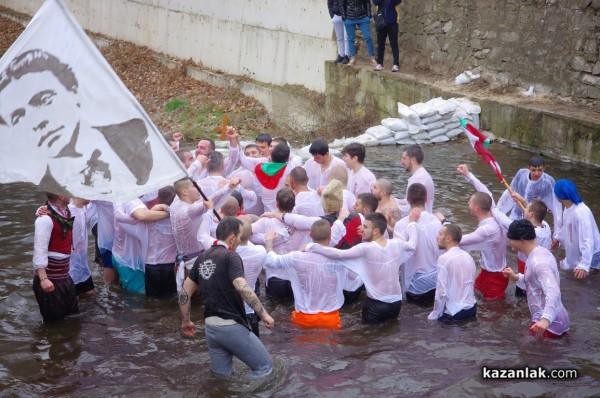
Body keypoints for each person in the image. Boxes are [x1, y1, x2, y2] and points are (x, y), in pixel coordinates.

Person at [0, 49, 154, 197]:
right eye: (18, 117)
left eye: (44, 99)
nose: (37, 122)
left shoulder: (139, 137)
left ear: (73, 92)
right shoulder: (49, 188)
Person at [179, 217, 274, 378]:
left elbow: (185, 292)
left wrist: (186, 320)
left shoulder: (202, 257)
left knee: (222, 378)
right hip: (231, 326)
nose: (239, 240)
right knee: (265, 367)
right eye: (239, 236)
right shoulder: (231, 256)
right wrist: (263, 314)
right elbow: (241, 285)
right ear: (232, 238)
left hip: (211, 329)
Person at [307, 211, 419, 324]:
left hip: (376, 305)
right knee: (391, 332)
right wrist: (412, 223)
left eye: (365, 227)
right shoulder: (397, 244)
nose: (361, 228)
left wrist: (312, 247)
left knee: (369, 338)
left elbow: (339, 254)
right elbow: (413, 245)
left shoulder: (365, 248)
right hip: (396, 303)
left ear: (376, 231)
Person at [264, 220, 361, 329]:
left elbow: (271, 261)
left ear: (310, 235)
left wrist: (269, 241)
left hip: (303, 319)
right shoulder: (338, 260)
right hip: (330, 320)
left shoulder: (296, 257)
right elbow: (356, 279)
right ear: (329, 237)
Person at [503, 220, 570, 338]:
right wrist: (516, 277)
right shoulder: (540, 252)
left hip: (548, 323)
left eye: (511, 239)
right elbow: (536, 283)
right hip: (556, 317)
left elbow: (553, 291)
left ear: (522, 240)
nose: (509, 242)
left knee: (532, 355)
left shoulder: (538, 262)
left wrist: (545, 320)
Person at [32, 192, 78, 323]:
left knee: (72, 319)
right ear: (61, 196)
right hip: (50, 280)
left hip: (64, 276)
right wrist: (43, 279)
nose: (71, 193)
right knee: (55, 325)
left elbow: (82, 203)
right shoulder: (45, 219)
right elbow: (39, 250)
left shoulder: (65, 211)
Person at [393, 183, 441, 306]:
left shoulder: (401, 225)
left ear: (408, 200)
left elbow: (397, 257)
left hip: (414, 285)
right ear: (426, 199)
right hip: (436, 279)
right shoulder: (436, 221)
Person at [112, 197, 169, 293]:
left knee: (123, 291)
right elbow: (142, 215)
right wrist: (170, 213)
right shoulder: (131, 200)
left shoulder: (118, 200)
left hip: (119, 254)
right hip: (130, 263)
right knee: (138, 298)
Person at [459, 190, 508, 301]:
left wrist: (444, 225)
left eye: (470, 202)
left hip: (495, 276)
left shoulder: (486, 229)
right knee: (475, 292)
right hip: (488, 272)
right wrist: (468, 175)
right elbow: (487, 193)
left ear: (477, 208)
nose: (468, 203)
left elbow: (459, 241)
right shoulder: (494, 218)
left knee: (492, 311)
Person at [496, 155, 562, 233]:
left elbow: (556, 206)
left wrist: (557, 232)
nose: (536, 173)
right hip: (515, 215)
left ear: (544, 168)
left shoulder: (548, 182)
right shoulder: (521, 174)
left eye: (540, 170)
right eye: (533, 170)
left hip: (532, 220)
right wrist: (498, 212)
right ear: (529, 168)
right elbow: (510, 192)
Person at [428, 224, 477, 322]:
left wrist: (435, 315)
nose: (436, 237)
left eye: (440, 234)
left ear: (448, 239)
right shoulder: (468, 256)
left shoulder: (444, 259)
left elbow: (441, 293)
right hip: (472, 307)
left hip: (455, 312)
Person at [552, 179, 600, 279]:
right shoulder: (568, 207)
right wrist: (558, 238)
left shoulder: (581, 212)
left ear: (560, 196)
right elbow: (567, 227)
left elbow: (588, 239)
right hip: (579, 252)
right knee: (568, 273)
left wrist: (584, 265)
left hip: (592, 255)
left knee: (585, 281)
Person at [145, 186, 178, 299]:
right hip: (169, 265)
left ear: (158, 197)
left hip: (150, 265)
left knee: (152, 300)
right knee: (171, 300)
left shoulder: (148, 216)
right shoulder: (177, 217)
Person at [236, 220, 268, 337]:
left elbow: (202, 236)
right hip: (250, 307)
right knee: (255, 344)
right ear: (251, 235)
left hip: (230, 309)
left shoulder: (225, 252)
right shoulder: (260, 251)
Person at [397, 145, 435, 214]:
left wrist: (392, 206)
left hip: (420, 218)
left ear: (413, 160)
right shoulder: (420, 175)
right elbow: (408, 201)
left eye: (404, 159)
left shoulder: (419, 178)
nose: (401, 162)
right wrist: (395, 201)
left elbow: (411, 207)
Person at [341, 0, 377, 67]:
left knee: (368, 37)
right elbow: (342, 3)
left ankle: (372, 57)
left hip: (363, 17)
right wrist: (344, 17)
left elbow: (367, 2)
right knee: (350, 39)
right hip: (349, 17)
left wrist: (368, 15)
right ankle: (353, 57)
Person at [372, 0, 401, 72]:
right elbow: (375, 2)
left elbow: (397, 1)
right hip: (381, 20)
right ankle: (380, 63)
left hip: (392, 21)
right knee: (380, 43)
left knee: (394, 43)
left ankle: (396, 64)